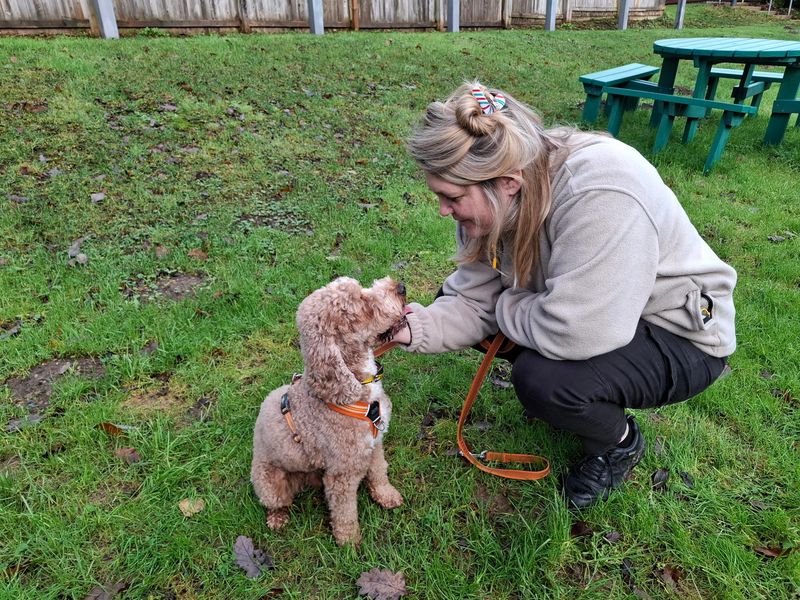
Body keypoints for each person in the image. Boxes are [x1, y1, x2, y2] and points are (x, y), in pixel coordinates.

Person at [390, 81, 736, 508]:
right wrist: (404, 329)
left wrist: (504, 304)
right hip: (598, 314)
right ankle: (578, 398)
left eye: (452, 198)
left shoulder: (602, 190)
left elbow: (579, 332)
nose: (444, 210)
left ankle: (619, 442)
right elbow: (470, 296)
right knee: (476, 313)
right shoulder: (493, 191)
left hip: (679, 332)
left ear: (508, 183)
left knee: (544, 379)